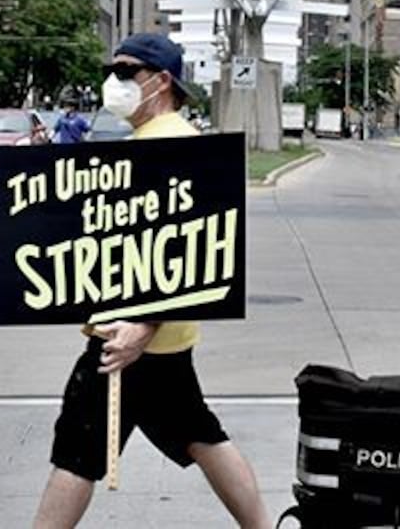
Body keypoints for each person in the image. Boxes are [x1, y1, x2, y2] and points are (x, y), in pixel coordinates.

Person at [32, 32, 271, 529]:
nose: (112, 82)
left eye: (125, 73)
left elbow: (189, 249)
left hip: (130, 337)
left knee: (78, 451)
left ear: (161, 81)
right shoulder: (159, 139)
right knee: (200, 433)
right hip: (153, 337)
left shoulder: (165, 145)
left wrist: (143, 324)